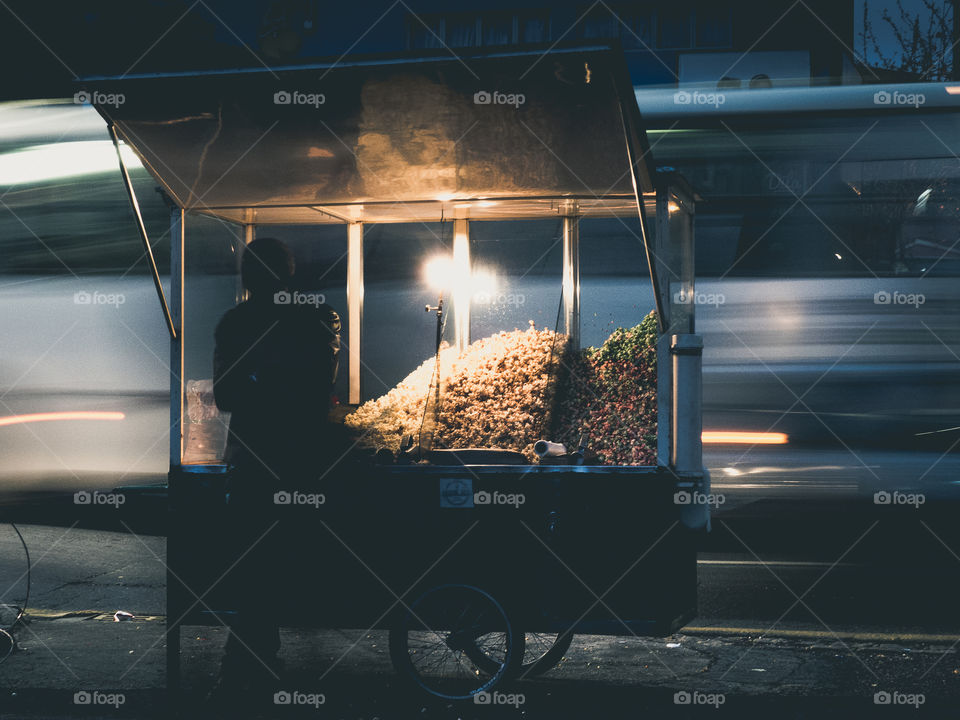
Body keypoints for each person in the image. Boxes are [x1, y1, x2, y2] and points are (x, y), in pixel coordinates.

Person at [209, 237, 340, 700]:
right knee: (269, 566)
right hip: (297, 465)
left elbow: (228, 395)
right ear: (288, 274)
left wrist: (257, 381)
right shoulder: (313, 322)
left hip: (251, 465)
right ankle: (253, 661)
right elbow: (315, 395)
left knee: (254, 567)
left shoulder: (236, 324)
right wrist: (282, 385)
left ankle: (244, 666)